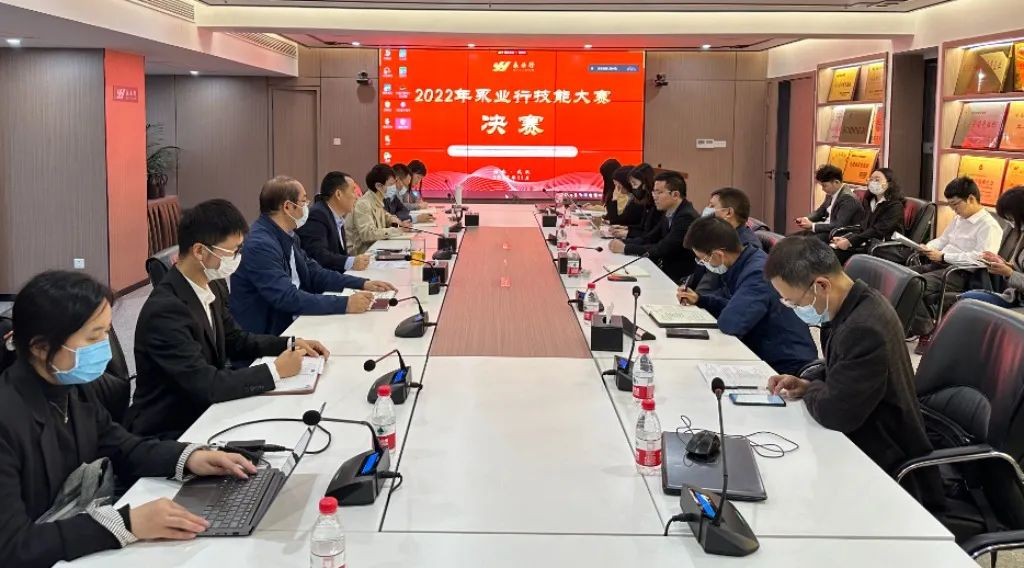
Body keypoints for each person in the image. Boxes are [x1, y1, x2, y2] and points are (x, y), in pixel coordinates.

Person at [0, 271, 259, 567]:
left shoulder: (72, 387)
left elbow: (124, 448)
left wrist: (190, 457)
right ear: (41, 347)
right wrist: (126, 523)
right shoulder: (8, 417)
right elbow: (13, 546)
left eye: (107, 332)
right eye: (93, 336)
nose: (104, 346)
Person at [128, 199, 330, 440]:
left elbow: (235, 339)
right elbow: (206, 384)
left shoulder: (213, 283)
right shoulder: (166, 311)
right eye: (232, 251)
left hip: (207, 407)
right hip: (174, 427)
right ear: (199, 251)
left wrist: (289, 343)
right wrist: (275, 370)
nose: (237, 257)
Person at [762, 237, 942, 507]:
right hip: (864, 433)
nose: (793, 308)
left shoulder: (863, 328)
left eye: (793, 302)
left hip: (883, 465)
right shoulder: (853, 305)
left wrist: (812, 389)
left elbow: (834, 413)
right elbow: (841, 368)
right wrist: (808, 382)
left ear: (821, 286)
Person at [230, 176, 396, 335]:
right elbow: (287, 297)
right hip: (273, 332)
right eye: (303, 201)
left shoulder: (288, 234)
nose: (307, 207)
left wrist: (362, 283)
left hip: (294, 318)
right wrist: (345, 304)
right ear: (288, 207)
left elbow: (314, 272)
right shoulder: (260, 244)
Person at [677, 217, 816, 375]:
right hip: (763, 351)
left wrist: (718, 306)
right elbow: (735, 304)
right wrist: (701, 300)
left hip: (786, 367)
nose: (704, 264)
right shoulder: (744, 262)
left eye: (703, 260)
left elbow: (731, 323)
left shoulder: (757, 273)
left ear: (718, 255)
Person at [909, 176, 1003, 351]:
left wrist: (944, 257)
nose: (953, 210)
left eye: (955, 205)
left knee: (914, 284)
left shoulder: (989, 226)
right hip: (940, 264)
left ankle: (926, 330)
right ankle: (912, 324)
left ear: (971, 199)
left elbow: (981, 259)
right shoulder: (959, 219)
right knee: (902, 274)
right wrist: (928, 247)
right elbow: (944, 240)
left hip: (960, 273)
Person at [608, 170, 698, 282]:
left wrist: (625, 248)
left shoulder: (686, 217)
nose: (654, 196)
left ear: (675, 195)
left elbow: (663, 248)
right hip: (663, 270)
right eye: (654, 192)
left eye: (659, 192)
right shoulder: (669, 211)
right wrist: (622, 242)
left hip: (677, 278)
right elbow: (650, 238)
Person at [959, 186, 1024, 309]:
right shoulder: (1021, 234)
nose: (1011, 224)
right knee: (966, 298)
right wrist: (1003, 264)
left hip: (1019, 303)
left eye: (1011, 219)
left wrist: (1009, 273)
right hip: (1014, 296)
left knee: (967, 303)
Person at [297, 171, 371, 274]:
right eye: (353, 191)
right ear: (338, 194)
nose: (356, 197)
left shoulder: (336, 216)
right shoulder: (318, 215)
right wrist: (350, 261)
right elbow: (318, 255)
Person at [831, 168, 906, 264]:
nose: (873, 182)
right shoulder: (870, 201)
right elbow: (864, 227)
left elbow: (877, 231)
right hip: (867, 243)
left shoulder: (895, 206)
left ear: (889, 183)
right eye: (871, 179)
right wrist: (847, 238)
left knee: (837, 255)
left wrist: (850, 242)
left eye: (877, 180)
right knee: (831, 251)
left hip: (883, 248)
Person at [347, 164, 409, 255]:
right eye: (391, 184)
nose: (394, 187)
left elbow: (386, 216)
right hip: (362, 254)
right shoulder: (363, 204)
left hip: (375, 249)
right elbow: (368, 234)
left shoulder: (378, 200)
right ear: (379, 186)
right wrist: (396, 230)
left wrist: (398, 222)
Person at [794, 165, 865, 242]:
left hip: (839, 234)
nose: (823, 189)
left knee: (802, 243)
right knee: (792, 239)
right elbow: (819, 212)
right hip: (827, 230)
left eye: (824, 186)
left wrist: (812, 226)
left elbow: (838, 225)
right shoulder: (831, 194)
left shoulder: (848, 199)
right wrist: (806, 219)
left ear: (836, 182)